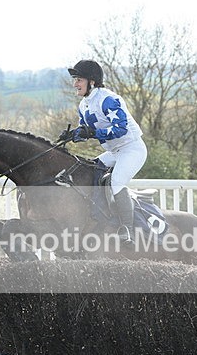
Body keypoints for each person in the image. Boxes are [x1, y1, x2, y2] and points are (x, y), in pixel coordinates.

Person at [58, 59, 147, 243]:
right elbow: (84, 131)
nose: (75, 84)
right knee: (87, 171)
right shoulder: (84, 105)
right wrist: (72, 135)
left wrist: (93, 133)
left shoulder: (108, 100)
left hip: (132, 149)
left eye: (79, 80)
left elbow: (120, 129)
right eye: (75, 80)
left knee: (116, 183)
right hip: (114, 152)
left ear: (92, 81)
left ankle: (127, 230)